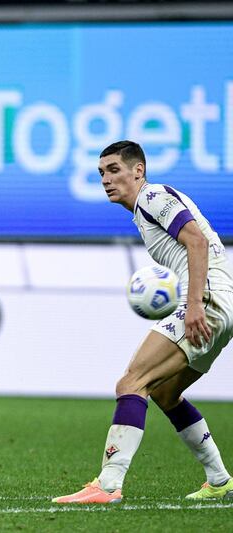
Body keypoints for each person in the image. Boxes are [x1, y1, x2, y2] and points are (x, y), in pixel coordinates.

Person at [54, 140, 233, 504]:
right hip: (222, 303)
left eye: (114, 170)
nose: (105, 179)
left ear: (139, 170)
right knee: (165, 392)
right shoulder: (143, 210)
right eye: (101, 172)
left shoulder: (153, 197)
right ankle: (219, 480)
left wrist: (195, 303)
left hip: (209, 300)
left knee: (131, 382)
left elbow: (196, 242)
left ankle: (108, 485)